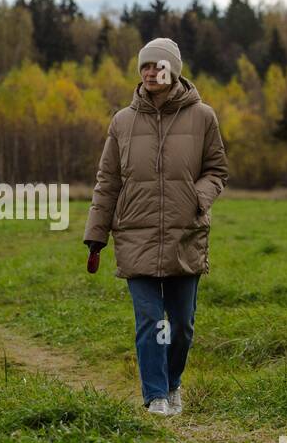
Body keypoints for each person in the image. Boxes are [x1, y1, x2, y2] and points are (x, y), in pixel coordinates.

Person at [83, 37, 228, 416]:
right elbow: (107, 182)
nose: (150, 71)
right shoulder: (122, 122)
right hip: (135, 235)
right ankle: (156, 395)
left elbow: (217, 170)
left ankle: (173, 383)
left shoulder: (203, 117)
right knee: (150, 320)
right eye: (144, 66)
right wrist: (96, 235)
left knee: (181, 326)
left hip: (185, 234)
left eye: (157, 65)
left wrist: (198, 198)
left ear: (174, 71)